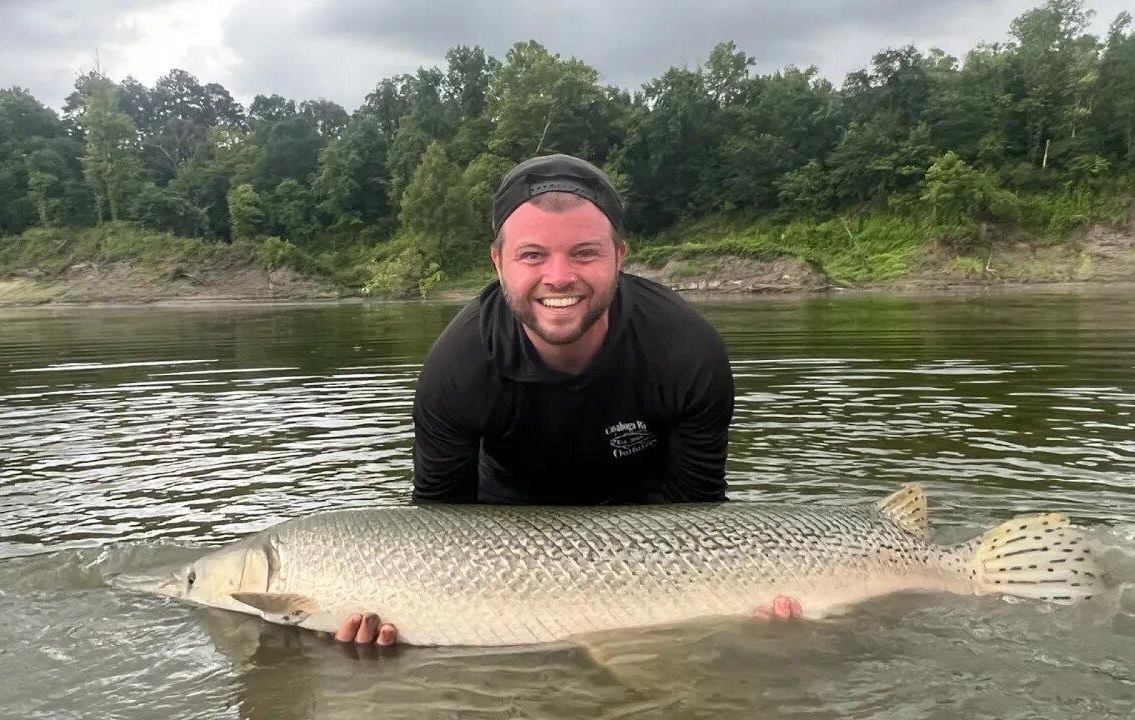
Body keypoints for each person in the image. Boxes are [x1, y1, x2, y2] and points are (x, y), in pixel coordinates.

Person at [334, 153, 800, 647]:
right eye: (532, 255)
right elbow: (437, 525)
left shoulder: (687, 350)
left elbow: (699, 516)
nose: (559, 277)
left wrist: (731, 606)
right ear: (498, 263)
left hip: (649, 520)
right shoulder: (457, 368)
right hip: (505, 519)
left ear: (620, 256)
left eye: (584, 253)